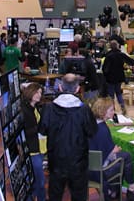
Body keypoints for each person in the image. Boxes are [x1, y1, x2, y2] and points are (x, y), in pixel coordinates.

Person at [39, 73, 98, 201]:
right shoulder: (84, 110)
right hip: (78, 162)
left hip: (56, 161)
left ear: (60, 87)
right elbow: (92, 131)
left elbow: (42, 131)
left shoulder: (48, 108)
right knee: (79, 196)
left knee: (55, 195)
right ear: (77, 89)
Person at [89, 97, 134, 200]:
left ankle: (113, 190)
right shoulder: (103, 129)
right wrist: (115, 150)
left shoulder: (90, 124)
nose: (114, 112)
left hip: (86, 168)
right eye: (111, 110)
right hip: (100, 171)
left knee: (122, 156)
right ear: (103, 112)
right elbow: (109, 154)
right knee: (126, 157)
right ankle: (131, 186)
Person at [21, 82, 46, 201]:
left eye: (40, 93)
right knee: (39, 180)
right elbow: (27, 130)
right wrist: (39, 127)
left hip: (39, 148)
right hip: (33, 150)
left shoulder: (33, 107)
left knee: (38, 179)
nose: (39, 95)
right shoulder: (25, 110)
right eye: (36, 92)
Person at [102, 40, 134, 115]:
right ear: (117, 46)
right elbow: (131, 61)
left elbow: (105, 69)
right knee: (118, 93)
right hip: (119, 77)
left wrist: (105, 75)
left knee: (111, 95)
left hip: (110, 78)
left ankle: (112, 110)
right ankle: (123, 108)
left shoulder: (108, 56)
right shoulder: (121, 54)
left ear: (110, 46)